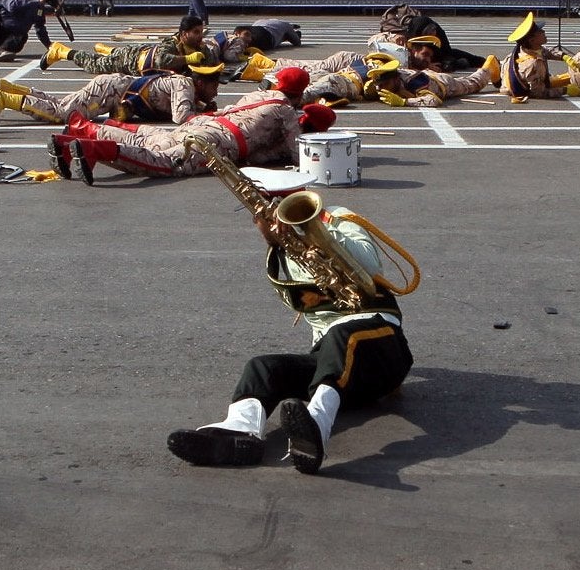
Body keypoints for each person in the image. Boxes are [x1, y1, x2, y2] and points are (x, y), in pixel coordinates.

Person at [166, 173, 416, 474]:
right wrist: (276, 244)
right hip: (340, 371)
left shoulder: (337, 219)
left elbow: (371, 265)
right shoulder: (285, 249)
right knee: (263, 367)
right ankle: (239, 433)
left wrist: (314, 235)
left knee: (342, 335)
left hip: (382, 344)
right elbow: (302, 304)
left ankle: (316, 428)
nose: (275, 217)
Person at [48, 93, 315, 184]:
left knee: (150, 139)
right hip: (217, 141)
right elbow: (298, 156)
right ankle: (97, 150)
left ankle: (80, 131)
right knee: (165, 162)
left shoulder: (261, 95)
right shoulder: (286, 114)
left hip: (204, 124)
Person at [0, 52, 225, 126]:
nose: (216, 92)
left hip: (114, 87)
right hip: (111, 91)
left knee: (61, 103)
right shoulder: (184, 84)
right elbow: (181, 117)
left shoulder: (186, 86)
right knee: (63, 114)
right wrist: (208, 116)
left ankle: (9, 87)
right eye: (214, 86)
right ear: (201, 82)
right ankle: (5, 99)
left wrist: (201, 107)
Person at [48, 13, 208, 75]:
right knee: (94, 64)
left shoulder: (197, 46)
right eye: (196, 32)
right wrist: (188, 59)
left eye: (201, 32)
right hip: (130, 62)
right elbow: (161, 60)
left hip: (140, 52)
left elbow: (210, 64)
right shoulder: (171, 44)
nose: (200, 36)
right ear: (183, 34)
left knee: (117, 53)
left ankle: (108, 50)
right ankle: (61, 51)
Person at [364, 48, 499, 107]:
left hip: (441, 83)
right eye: (378, 83)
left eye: (383, 84)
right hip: (425, 73)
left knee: (471, 84)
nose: (379, 87)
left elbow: (434, 100)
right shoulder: (387, 80)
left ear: (394, 79)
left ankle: (489, 67)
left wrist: (404, 102)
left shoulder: (414, 82)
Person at [499, 13, 571, 101]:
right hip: (520, 89)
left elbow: (546, 51)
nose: (543, 32)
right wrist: (565, 90)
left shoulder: (526, 49)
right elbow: (538, 93)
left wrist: (564, 57)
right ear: (532, 40)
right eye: (540, 31)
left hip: (524, 81)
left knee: (569, 78)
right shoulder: (534, 63)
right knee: (569, 80)